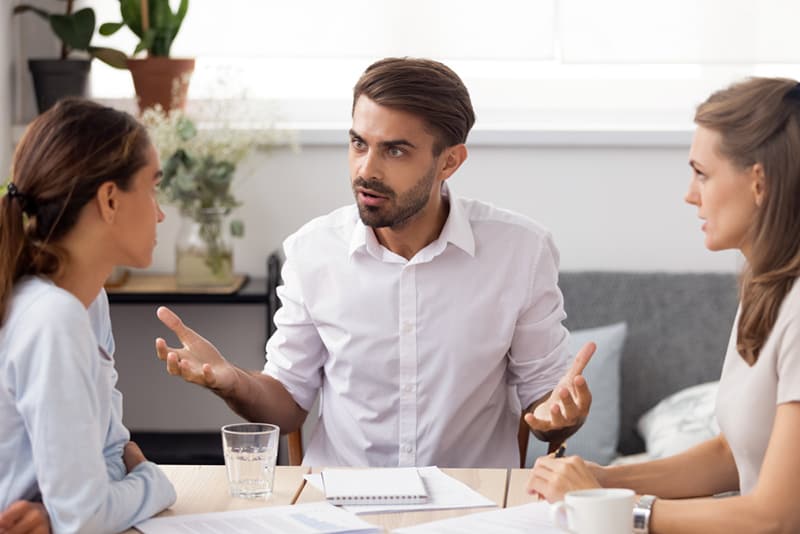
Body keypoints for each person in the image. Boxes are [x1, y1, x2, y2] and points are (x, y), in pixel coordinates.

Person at [156, 57, 596, 468]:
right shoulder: (313, 251)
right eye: (358, 144)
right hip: (339, 508)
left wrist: (563, 412)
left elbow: (547, 402)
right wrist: (229, 380)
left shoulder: (520, 251)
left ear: (450, 161)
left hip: (469, 508)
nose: (366, 170)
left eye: (395, 151)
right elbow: (288, 402)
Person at [527, 77, 800, 533]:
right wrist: (604, 481)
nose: (690, 194)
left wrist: (619, 510)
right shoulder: (766, 287)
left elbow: (774, 517)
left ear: (759, 181)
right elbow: (732, 454)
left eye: (702, 173)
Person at [0, 98, 176, 533]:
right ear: (110, 200)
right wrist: (155, 481)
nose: (159, 212)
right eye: (151, 188)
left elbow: (111, 456)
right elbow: (86, 518)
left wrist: (60, 511)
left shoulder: (87, 300)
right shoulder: (52, 318)